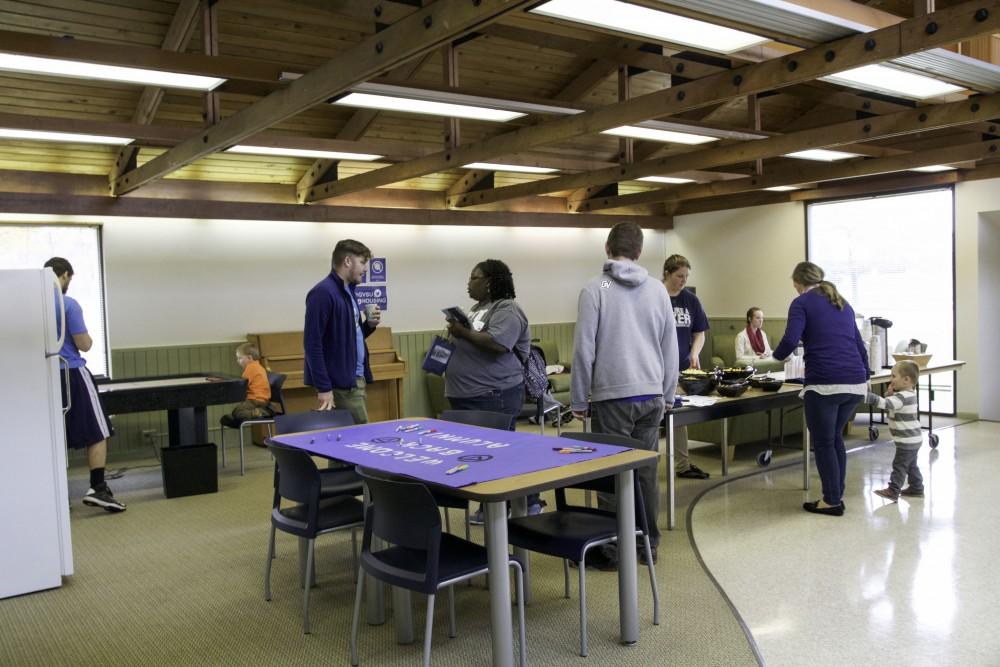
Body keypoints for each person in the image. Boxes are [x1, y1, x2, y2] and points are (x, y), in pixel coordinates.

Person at [571, 222, 678, 569]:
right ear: (640, 251)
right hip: (651, 393)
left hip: (612, 396)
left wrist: (577, 399)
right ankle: (649, 545)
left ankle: (613, 549)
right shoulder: (657, 289)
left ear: (606, 248)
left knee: (612, 473)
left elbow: (584, 349)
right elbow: (669, 346)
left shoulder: (597, 287)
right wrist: (668, 393)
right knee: (645, 471)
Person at [773, 261, 869, 516]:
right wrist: (865, 375)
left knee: (824, 442)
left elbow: (791, 339)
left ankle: (831, 501)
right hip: (855, 382)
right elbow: (860, 345)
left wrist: (777, 355)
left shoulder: (802, 303)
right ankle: (836, 493)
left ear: (798, 282)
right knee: (835, 438)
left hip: (825, 383)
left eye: (794, 284)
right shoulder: (842, 303)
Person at [444, 259, 537, 521]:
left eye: (474, 278)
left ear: (490, 282)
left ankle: (528, 501)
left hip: (494, 394)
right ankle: (492, 504)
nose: (468, 283)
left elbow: (498, 342)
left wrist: (462, 332)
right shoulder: (476, 309)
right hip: (467, 394)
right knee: (481, 455)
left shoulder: (507, 308)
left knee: (502, 452)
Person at [44, 257, 126, 513]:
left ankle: (55, 492)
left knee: (53, 436)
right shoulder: (68, 304)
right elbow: (84, 344)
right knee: (98, 431)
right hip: (72, 373)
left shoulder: (34, 307)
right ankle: (98, 488)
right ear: (66, 275)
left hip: (43, 376)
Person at [303, 239, 381, 424]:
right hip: (341, 384)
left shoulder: (348, 291)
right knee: (359, 439)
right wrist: (324, 387)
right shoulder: (323, 293)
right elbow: (312, 344)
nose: (366, 268)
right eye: (362, 262)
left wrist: (369, 325)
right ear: (347, 261)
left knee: (355, 439)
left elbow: (348, 337)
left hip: (355, 379)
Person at [663, 254, 711, 480]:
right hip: (658, 369)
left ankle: (683, 465)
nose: (683, 280)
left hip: (682, 367)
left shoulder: (691, 300)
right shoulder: (656, 295)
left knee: (679, 415)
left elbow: (699, 332)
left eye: (686, 276)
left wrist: (694, 353)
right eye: (679, 276)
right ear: (667, 274)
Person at [865, 360, 923, 502]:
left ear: (906, 380)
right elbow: (893, 404)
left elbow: (887, 404)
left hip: (906, 441)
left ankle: (893, 490)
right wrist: (890, 394)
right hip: (913, 439)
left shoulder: (902, 397)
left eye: (893, 376)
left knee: (899, 466)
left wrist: (867, 396)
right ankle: (917, 487)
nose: (891, 380)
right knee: (910, 465)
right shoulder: (908, 395)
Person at [220, 343, 272, 435]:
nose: (238, 361)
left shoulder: (251, 368)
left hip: (256, 400)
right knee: (237, 411)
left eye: (240, 358)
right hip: (261, 399)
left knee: (237, 412)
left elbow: (242, 384)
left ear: (249, 358)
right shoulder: (257, 366)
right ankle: (261, 410)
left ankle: (260, 412)